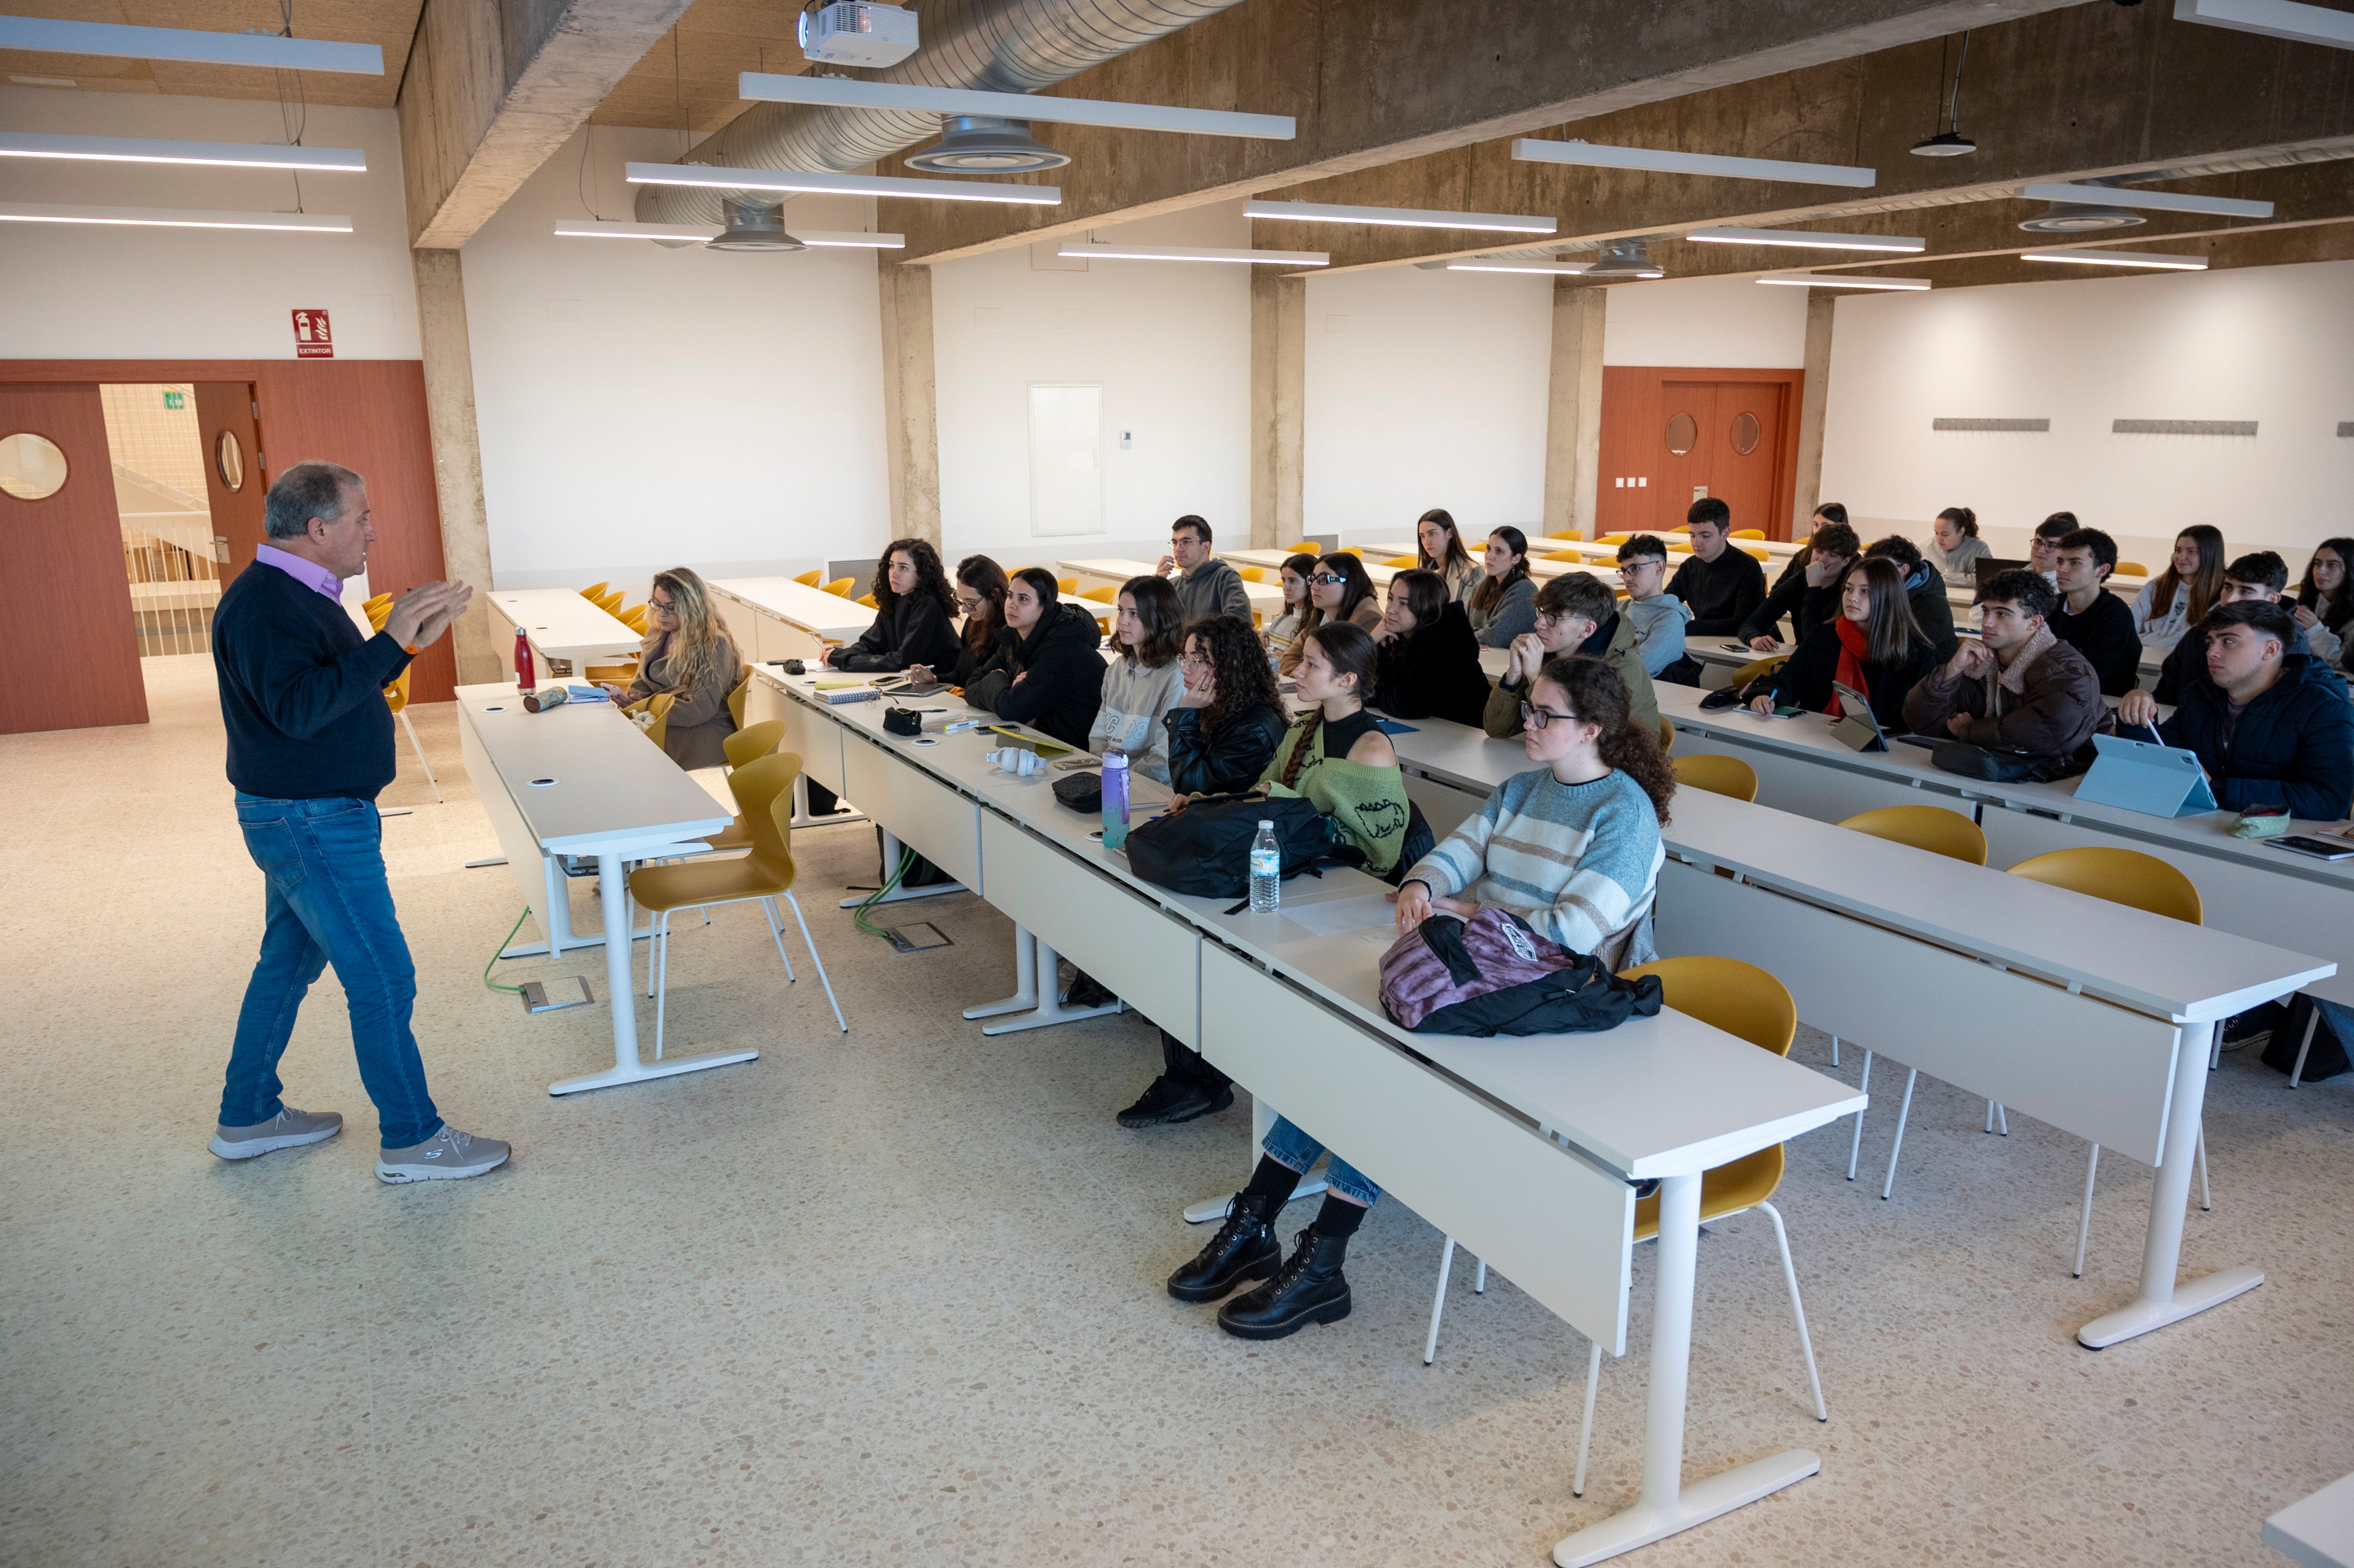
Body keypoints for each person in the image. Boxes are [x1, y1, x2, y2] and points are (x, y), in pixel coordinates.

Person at [1162, 657, 1670, 1340]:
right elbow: (1456, 851)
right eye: (1530, 709)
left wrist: (1464, 915)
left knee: (1379, 1069)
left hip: (1564, 998)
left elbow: (1580, 932)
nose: (1529, 722)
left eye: (1547, 715)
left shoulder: (1626, 815)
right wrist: (1423, 887)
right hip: (1490, 974)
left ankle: (1319, 1257)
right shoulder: (1523, 789)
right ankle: (1260, 1224)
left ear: (1595, 731)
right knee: (1354, 1049)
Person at [209, 460, 508, 1183]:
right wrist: (391, 644)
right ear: (318, 529)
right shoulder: (267, 605)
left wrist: (407, 642)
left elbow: (326, 690)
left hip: (302, 816)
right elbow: (301, 709)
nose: (374, 531)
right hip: (310, 821)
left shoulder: (294, 591)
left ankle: (247, 1114)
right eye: (362, 518)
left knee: (286, 965)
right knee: (383, 977)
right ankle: (412, 1138)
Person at [1119, 615, 1288, 1130]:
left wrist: (1185, 716)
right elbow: (1201, 787)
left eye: (1199, 660)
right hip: (1225, 844)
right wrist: (1194, 790)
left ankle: (1197, 1080)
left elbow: (1194, 779)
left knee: (1177, 932)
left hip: (1252, 862)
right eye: (1187, 657)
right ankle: (1191, 1067)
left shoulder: (1254, 722)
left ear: (1227, 667)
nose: (1187, 668)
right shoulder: (1226, 708)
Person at [2117, 602, 2353, 821]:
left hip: (2270, 846)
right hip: (2201, 826)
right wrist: (2137, 716)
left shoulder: (2323, 708)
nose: (2212, 652)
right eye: (2210, 642)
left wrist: (2217, 788)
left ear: (2270, 650)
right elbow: (2157, 760)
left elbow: (2329, 799)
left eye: (2228, 641)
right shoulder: (2200, 694)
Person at [1901, 569, 2103, 774]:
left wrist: (1969, 731)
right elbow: (1921, 723)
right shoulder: (1980, 661)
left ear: (2034, 622)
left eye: (2002, 614)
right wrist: (1953, 670)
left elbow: (2046, 735)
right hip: (1991, 773)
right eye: (1986, 611)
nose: (1986, 622)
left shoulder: (2067, 672)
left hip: (2062, 782)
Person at [1257, 622, 1411, 876]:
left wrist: (1291, 806)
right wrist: (1208, 805)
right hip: (1292, 863)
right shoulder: (1303, 727)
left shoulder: (1373, 751)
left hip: (1339, 880)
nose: (1297, 671)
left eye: (1311, 664)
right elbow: (1260, 792)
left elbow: (1379, 857)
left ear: (1347, 679)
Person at [1754, 555, 1938, 730]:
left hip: (1888, 752)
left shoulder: (1916, 652)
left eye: (1865, 591)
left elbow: (1922, 718)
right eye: (1849, 589)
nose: (1852, 597)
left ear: (1887, 598)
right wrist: (1768, 695)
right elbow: (1791, 678)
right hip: (1818, 734)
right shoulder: (1824, 635)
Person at [1487, 570, 1659, 739]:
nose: (1538, 623)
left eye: (1553, 618)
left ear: (1587, 629)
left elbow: (1581, 738)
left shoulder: (1623, 670)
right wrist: (1514, 676)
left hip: (1620, 764)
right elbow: (1497, 729)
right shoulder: (1549, 653)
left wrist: (1535, 679)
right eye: (1542, 612)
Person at [608, 567, 742, 769]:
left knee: (632, 753)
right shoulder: (657, 633)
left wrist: (646, 707)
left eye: (671, 607)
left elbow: (699, 709)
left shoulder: (715, 643)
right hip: (663, 718)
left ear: (692, 608)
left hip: (706, 728)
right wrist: (634, 700)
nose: (661, 614)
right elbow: (640, 685)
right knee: (614, 739)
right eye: (657, 604)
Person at [964, 567, 1105, 749]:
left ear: (1044, 606)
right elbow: (972, 684)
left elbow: (1012, 710)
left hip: (1078, 750)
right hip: (1042, 740)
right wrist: (1006, 688)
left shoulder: (1064, 648)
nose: (1012, 605)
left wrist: (996, 679)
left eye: (1023, 599)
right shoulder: (1014, 636)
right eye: (1010, 596)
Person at [2148, 552, 2292, 707]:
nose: (2231, 599)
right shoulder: (2199, 634)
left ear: (2272, 600)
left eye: (2245, 592)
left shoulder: (2288, 644)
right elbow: (2165, 695)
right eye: (2228, 588)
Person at [1085, 576, 1187, 784]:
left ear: (1160, 619)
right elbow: (1098, 737)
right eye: (1121, 611)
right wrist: (1106, 773)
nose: (1122, 621)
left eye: (1134, 614)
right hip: (1111, 779)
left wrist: (1120, 779)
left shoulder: (1176, 677)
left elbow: (1164, 759)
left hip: (1153, 789)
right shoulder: (1115, 671)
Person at [1370, 568, 1490, 726]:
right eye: (1391, 599)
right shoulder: (1398, 636)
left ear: (1426, 606)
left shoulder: (1444, 644)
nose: (1390, 609)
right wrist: (1372, 641)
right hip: (1434, 733)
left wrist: (1375, 693)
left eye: (1403, 603)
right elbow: (1354, 685)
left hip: (1470, 736)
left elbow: (1408, 705)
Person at [825, 538, 961, 675]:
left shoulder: (928, 604)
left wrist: (845, 660)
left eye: (903, 568)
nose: (894, 573)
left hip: (941, 684)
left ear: (921, 574)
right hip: (912, 679)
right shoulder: (895, 598)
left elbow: (903, 660)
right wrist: (839, 654)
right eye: (891, 565)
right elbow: (871, 644)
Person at [1738, 516, 1860, 651]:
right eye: (1819, 551)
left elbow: (1815, 640)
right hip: (1802, 657)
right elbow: (1750, 624)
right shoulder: (1798, 582)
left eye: (1833, 555)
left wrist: (1814, 588)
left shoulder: (1851, 592)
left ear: (1846, 561)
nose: (1822, 559)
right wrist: (1754, 638)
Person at [2047, 528, 2142, 697]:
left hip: (2096, 705)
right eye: (2060, 562)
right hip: (2051, 695)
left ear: (2102, 570)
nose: (2062, 569)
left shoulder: (2116, 616)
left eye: (2075, 563)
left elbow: (2092, 677)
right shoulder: (2050, 606)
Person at [1664, 498, 1766, 639]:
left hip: (1744, 644)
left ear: (1725, 533)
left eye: (1705, 536)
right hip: (1705, 640)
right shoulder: (1690, 566)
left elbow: (1744, 624)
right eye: (1692, 535)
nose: (1696, 543)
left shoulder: (1748, 568)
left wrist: (1686, 626)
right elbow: (1666, 604)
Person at [907, 553, 1006, 690]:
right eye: (962, 600)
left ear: (995, 595)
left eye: (971, 602)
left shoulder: (1008, 632)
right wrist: (933, 679)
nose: (964, 609)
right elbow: (960, 676)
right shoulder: (973, 624)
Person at [1858, 534, 1960, 660]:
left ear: (1904, 569)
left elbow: (1907, 651)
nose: (1873, 575)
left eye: (1882, 569)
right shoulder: (1885, 592)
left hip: (1932, 673)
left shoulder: (1932, 606)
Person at [1280, 552, 1381, 675]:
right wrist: (1311, 671)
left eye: (1325, 579)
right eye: (1313, 579)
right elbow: (1288, 658)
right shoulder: (1323, 613)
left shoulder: (1369, 618)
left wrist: (1305, 673)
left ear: (1349, 583)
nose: (1314, 586)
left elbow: (1344, 671)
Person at [2132, 525, 2226, 648]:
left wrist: (2148, 641)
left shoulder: (2224, 594)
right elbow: (2130, 627)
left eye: (2191, 551)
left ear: (2210, 555)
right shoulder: (2156, 586)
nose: (2180, 557)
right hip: (2145, 658)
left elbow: (2194, 641)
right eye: (2178, 550)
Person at [1617, 533, 1694, 679]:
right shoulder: (1619, 608)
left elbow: (1635, 669)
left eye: (1635, 569)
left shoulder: (1670, 620)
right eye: (1624, 571)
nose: (1627, 578)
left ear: (1659, 568)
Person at [1157, 514, 1252, 624]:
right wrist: (1157, 587)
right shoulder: (1173, 585)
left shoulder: (1225, 577)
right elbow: (1152, 624)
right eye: (1175, 543)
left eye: (1186, 542)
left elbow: (1241, 620)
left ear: (1206, 547)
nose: (1178, 549)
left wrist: (1203, 638)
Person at [1466, 526, 1539, 647]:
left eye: (1499, 551)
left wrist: (1466, 634)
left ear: (1516, 559)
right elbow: (1462, 626)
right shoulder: (1481, 586)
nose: (1490, 556)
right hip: (1480, 655)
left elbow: (1495, 638)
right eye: (1488, 549)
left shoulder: (1525, 591)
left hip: (1510, 661)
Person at [2292, 538, 2352, 668]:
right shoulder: (2307, 600)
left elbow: (2345, 664)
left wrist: (2316, 631)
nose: (2321, 571)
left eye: (2332, 565)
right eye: (2318, 563)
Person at [1261, 550, 1320, 664]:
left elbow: (1299, 662)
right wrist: (1277, 653)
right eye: (1284, 580)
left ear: (1310, 583)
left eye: (1293, 581)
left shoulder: (1315, 623)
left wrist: (1272, 653)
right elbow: (1261, 646)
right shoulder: (1281, 619)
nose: (1286, 587)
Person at [1415, 507, 1481, 604]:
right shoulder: (1420, 572)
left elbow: (1468, 617)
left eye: (1432, 534)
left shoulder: (1472, 573)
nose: (1426, 542)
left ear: (1449, 533)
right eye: (1422, 536)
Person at [1928, 506, 1992, 589]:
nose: (1938, 539)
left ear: (1961, 532)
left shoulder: (1979, 548)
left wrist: (1941, 578)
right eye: (1936, 533)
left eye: (1945, 535)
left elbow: (1984, 579)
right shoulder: (1925, 546)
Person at [2029, 513, 2077, 584]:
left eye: (2051, 545)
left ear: (2067, 550)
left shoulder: (2065, 587)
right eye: (2038, 542)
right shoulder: (2017, 574)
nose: (2040, 550)